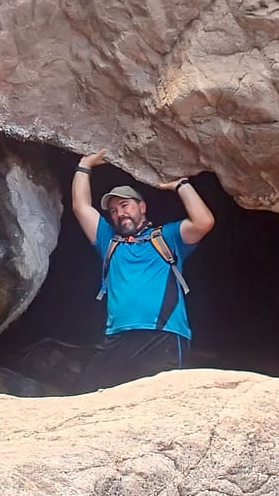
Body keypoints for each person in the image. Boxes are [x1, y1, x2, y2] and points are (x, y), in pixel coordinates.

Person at [71, 148, 215, 392]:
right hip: (118, 336)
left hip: (163, 335)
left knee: (159, 404)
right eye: (114, 211)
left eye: (125, 206)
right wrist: (84, 165)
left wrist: (181, 185)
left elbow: (204, 222)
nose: (119, 213)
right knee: (87, 395)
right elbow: (80, 207)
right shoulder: (109, 240)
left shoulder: (166, 237)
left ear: (142, 207)